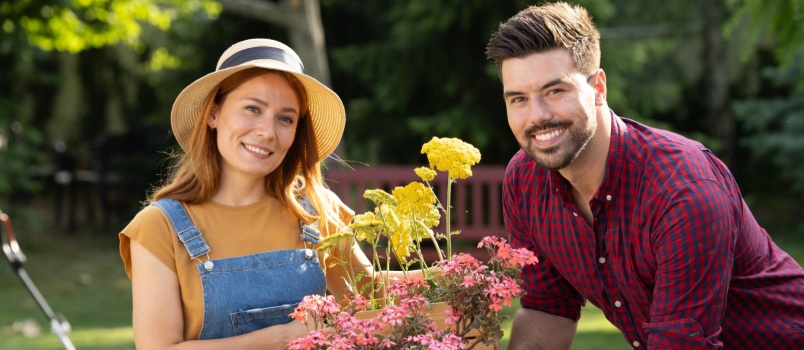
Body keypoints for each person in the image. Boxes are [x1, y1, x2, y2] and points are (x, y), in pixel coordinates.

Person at [485, 3, 804, 349]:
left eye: (555, 91)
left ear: (599, 88)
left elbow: (680, 344)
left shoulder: (682, 191)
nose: (538, 116)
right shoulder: (525, 181)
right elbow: (547, 311)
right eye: (518, 99)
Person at [119, 38, 384, 349]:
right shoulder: (159, 227)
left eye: (285, 118)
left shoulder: (316, 210)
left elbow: (375, 301)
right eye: (252, 109)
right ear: (213, 115)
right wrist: (283, 337)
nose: (267, 132)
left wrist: (449, 275)